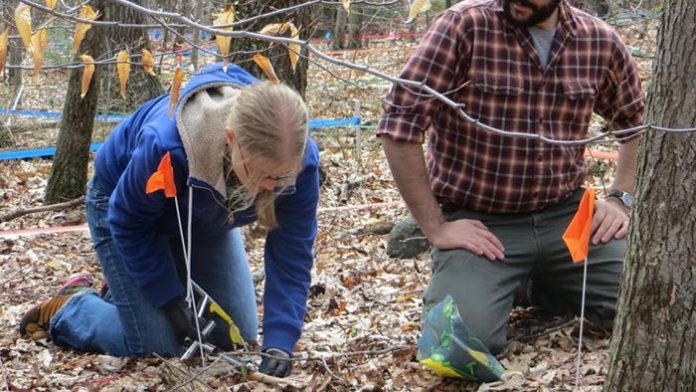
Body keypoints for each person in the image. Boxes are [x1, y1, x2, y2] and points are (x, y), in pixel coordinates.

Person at [19, 63, 320, 378]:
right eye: (259, 175)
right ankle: (71, 307)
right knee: (157, 344)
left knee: (237, 335)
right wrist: (169, 296)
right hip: (122, 211)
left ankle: (124, 291)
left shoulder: (300, 163)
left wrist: (280, 342)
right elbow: (129, 221)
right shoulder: (168, 145)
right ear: (231, 139)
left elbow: (292, 254)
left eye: (280, 177)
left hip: (205, 221)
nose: (270, 187)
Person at [378, 0, 644, 355]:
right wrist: (435, 226)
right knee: (454, 349)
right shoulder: (464, 26)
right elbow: (399, 126)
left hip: (567, 219)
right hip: (480, 223)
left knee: (650, 304)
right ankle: (500, 282)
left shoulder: (598, 40)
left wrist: (620, 198)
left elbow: (639, 125)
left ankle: (539, 284)